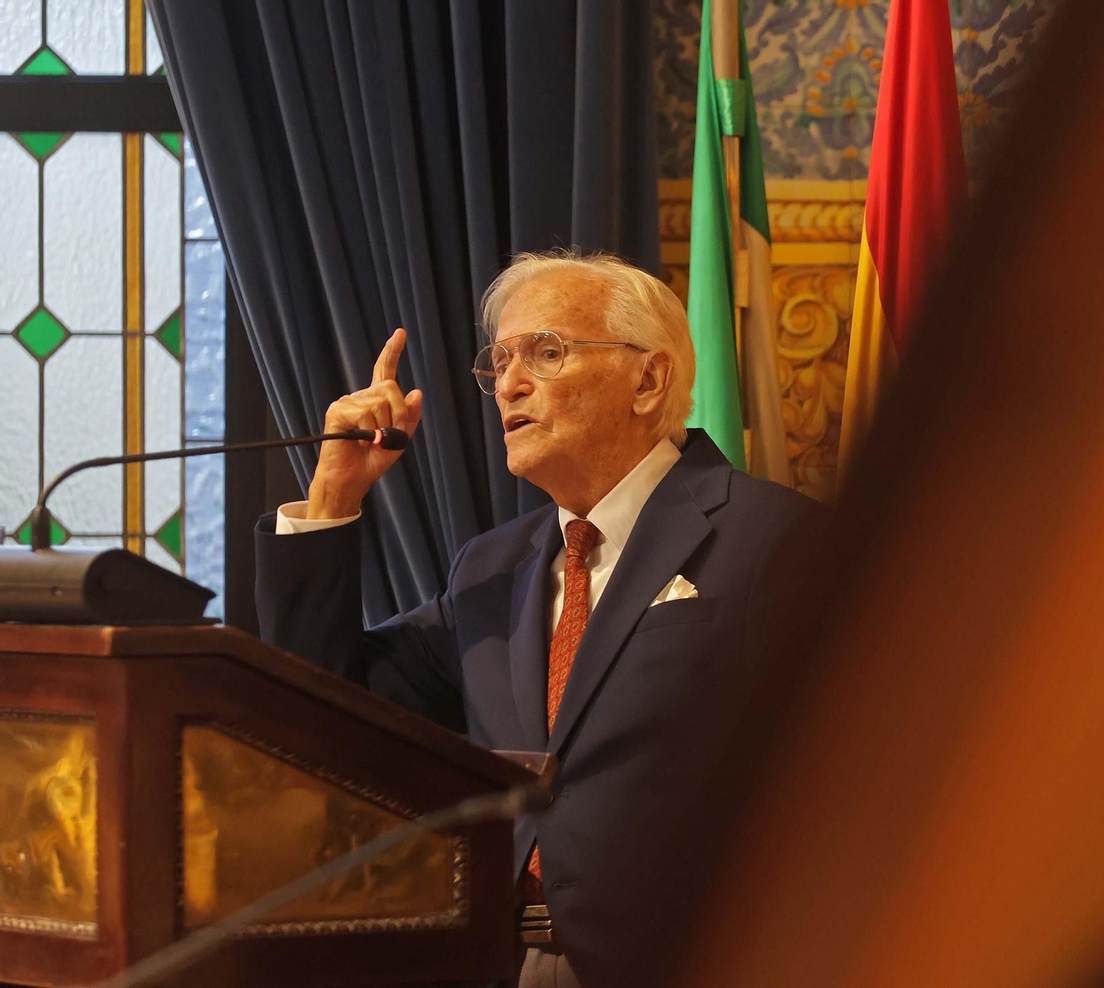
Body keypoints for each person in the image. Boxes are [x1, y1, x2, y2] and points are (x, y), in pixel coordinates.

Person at [255, 251, 820, 988]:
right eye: (500, 362)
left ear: (647, 381)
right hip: (501, 964)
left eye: (546, 353)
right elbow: (323, 710)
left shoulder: (774, 540)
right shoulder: (489, 570)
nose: (509, 384)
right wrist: (333, 500)